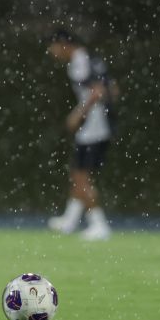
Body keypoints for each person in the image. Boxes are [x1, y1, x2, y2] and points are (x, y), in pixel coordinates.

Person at [44, 29, 118, 241]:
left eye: (53, 46)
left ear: (64, 44)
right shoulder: (92, 59)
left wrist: (79, 114)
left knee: (81, 176)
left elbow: (97, 91)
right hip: (101, 124)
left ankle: (99, 224)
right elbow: (113, 88)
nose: (52, 52)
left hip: (95, 126)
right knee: (79, 171)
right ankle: (70, 219)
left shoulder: (80, 62)